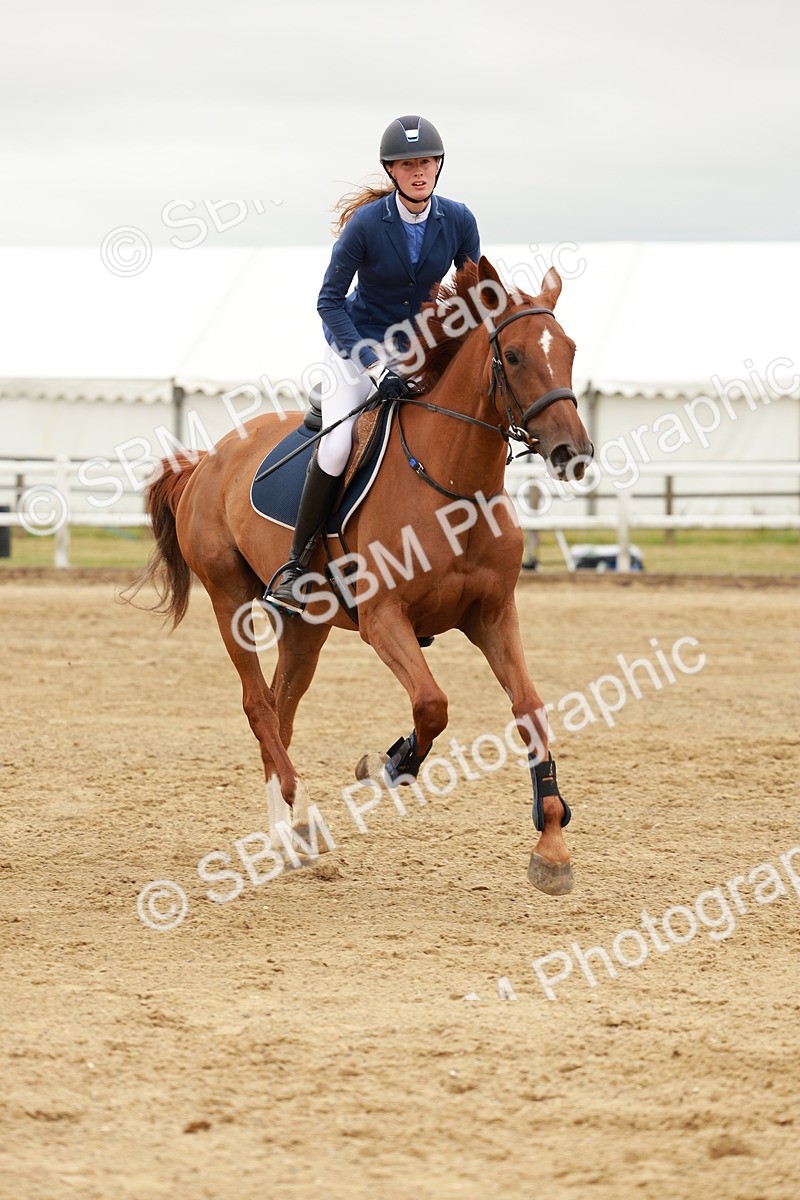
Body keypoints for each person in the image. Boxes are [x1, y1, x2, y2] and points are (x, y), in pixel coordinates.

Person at [267, 114, 481, 612]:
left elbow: (473, 299)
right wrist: (369, 362)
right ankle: (297, 566)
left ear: (438, 166)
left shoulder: (459, 220)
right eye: (408, 165)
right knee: (339, 445)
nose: (418, 172)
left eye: (426, 162)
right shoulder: (366, 226)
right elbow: (329, 302)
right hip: (355, 347)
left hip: (417, 352)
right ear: (392, 171)